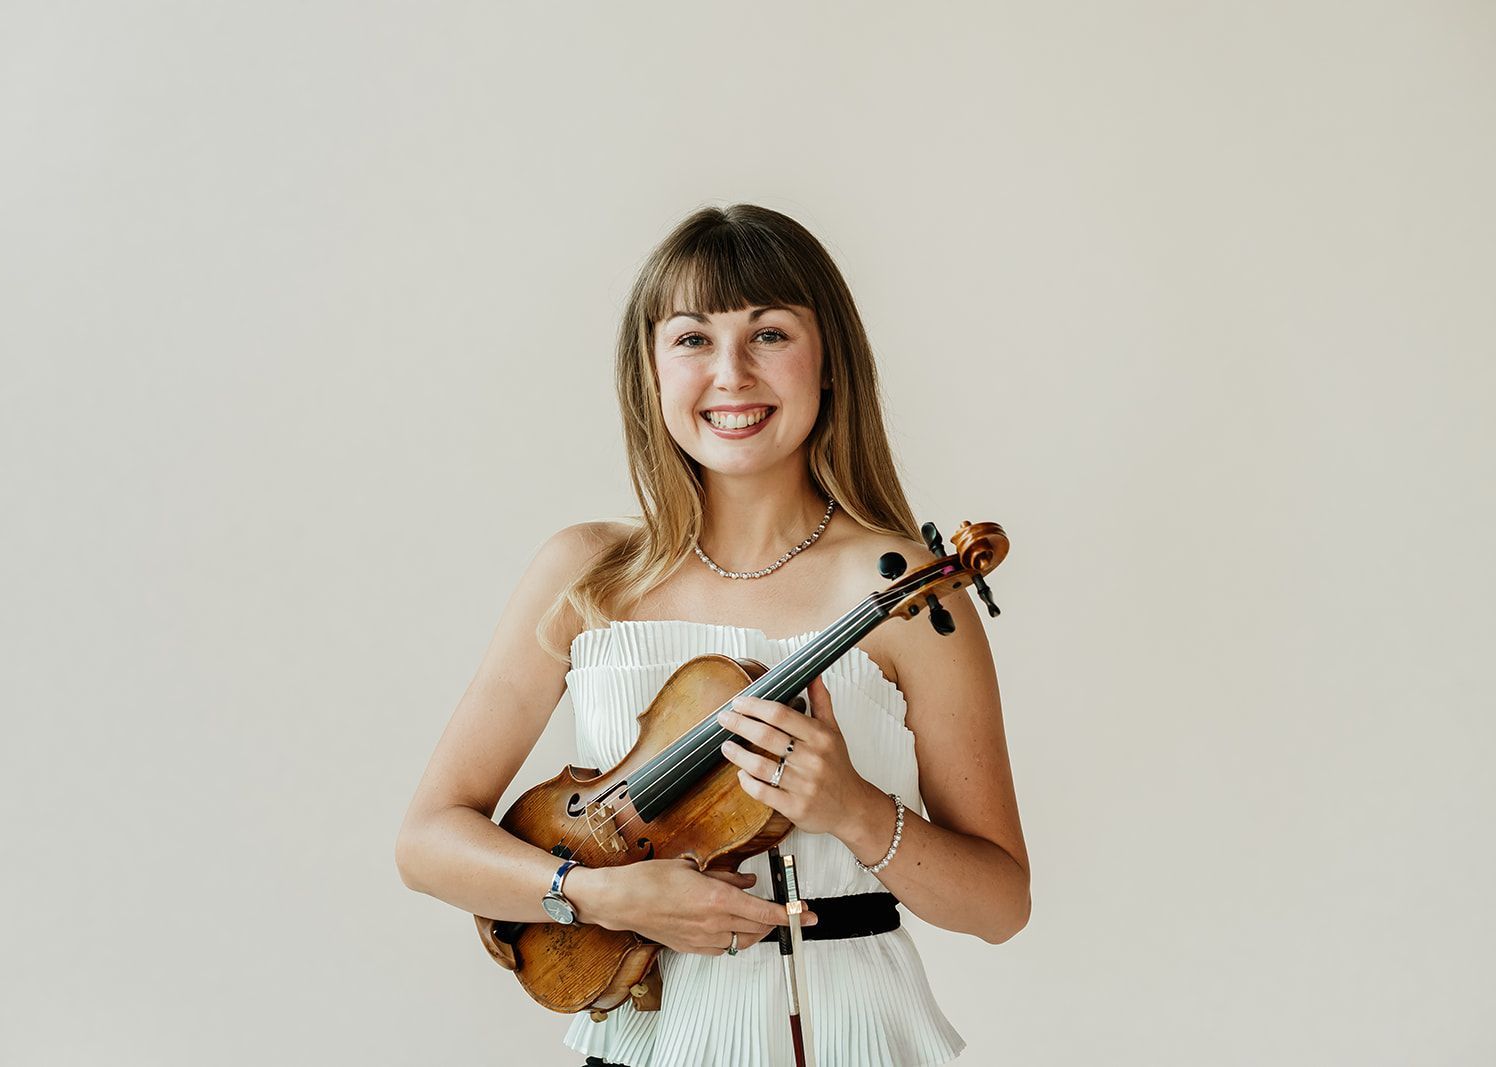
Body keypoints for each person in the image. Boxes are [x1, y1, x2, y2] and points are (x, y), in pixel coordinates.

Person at [395, 204, 1030, 1066]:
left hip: (851, 1037)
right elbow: (428, 840)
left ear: (829, 361)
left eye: (769, 333)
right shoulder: (586, 575)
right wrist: (598, 895)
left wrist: (853, 808)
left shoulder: (907, 590)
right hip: (642, 1044)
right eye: (692, 338)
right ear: (650, 371)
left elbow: (999, 906)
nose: (731, 373)